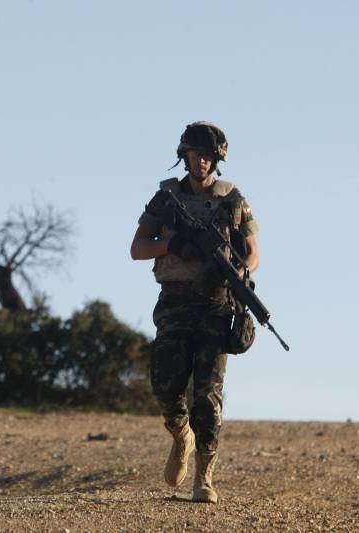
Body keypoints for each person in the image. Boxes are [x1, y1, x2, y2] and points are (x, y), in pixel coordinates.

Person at [130, 122, 259, 503]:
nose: (199, 161)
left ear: (216, 159)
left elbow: (253, 250)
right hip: (174, 303)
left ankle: (204, 476)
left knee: (208, 395)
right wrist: (170, 246)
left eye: (206, 155)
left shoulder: (232, 199)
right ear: (183, 156)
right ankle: (179, 434)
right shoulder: (166, 198)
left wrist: (239, 271)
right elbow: (137, 248)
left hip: (216, 304)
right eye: (193, 154)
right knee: (165, 385)